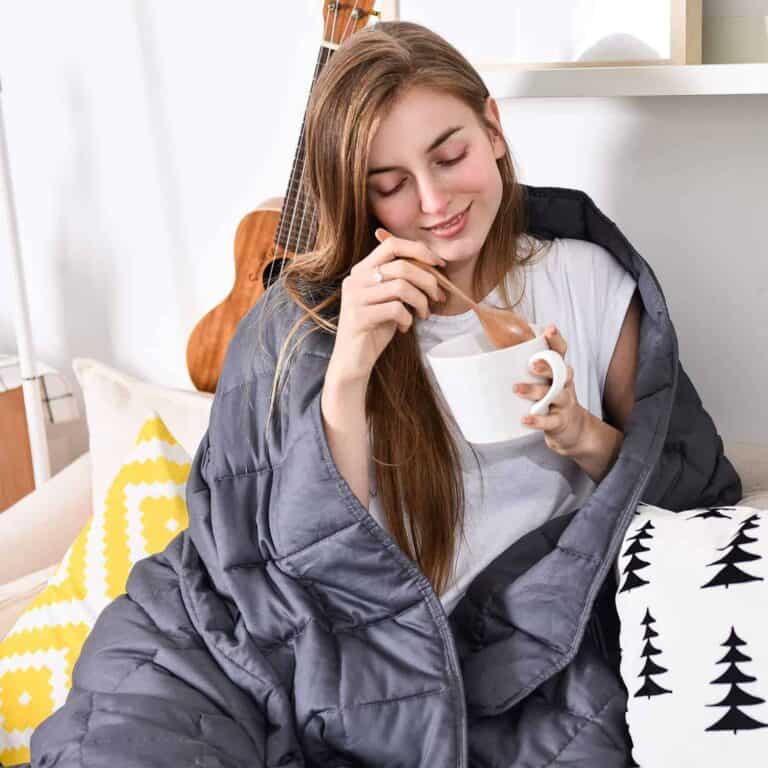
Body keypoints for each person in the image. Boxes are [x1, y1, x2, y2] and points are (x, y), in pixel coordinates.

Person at [18, 20, 740, 768]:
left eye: (450, 154)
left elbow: (685, 496)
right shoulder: (306, 316)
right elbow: (282, 548)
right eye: (389, 186)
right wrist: (352, 364)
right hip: (273, 628)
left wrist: (579, 433)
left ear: (492, 128)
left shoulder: (588, 280)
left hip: (495, 646)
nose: (433, 203)